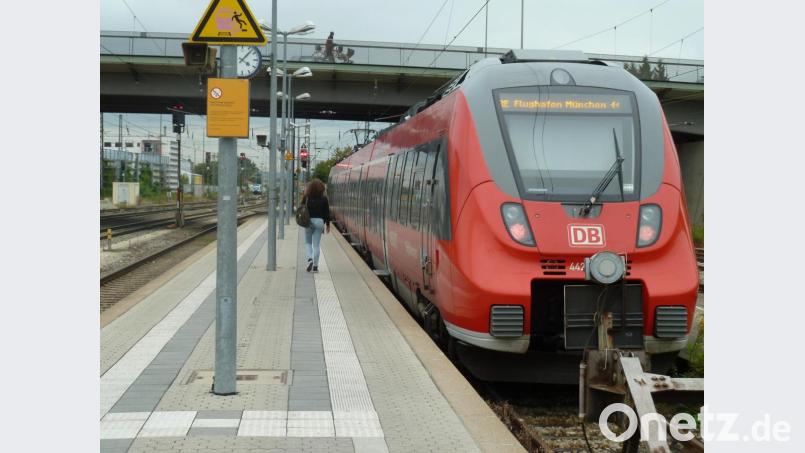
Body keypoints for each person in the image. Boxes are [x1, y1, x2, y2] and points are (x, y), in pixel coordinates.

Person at [301, 179, 331, 272]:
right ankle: (315, 267)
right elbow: (327, 213)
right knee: (316, 245)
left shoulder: (307, 197)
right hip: (320, 222)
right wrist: (328, 225)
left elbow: (301, 208)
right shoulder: (324, 199)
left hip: (309, 222)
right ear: (322, 188)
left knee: (308, 243)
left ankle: (310, 259)